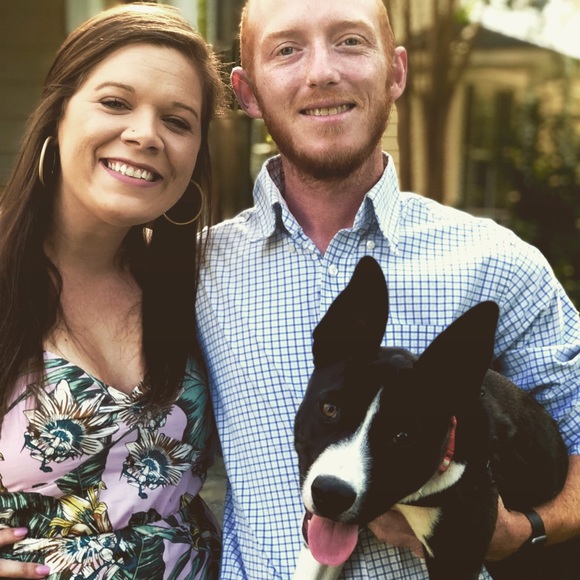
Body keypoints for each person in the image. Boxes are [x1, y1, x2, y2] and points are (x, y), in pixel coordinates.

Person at [196, 0, 580, 578]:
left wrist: (525, 531)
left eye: (349, 41)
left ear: (395, 72)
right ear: (247, 93)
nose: (322, 71)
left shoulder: (499, 262)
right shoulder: (196, 271)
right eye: (287, 49)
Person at [0, 3, 226, 579]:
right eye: (116, 103)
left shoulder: (202, 285)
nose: (145, 134)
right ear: (58, 115)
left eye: (177, 121)